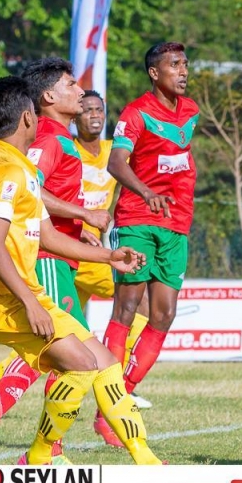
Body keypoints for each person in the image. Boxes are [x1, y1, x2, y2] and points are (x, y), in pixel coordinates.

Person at [0, 76, 161, 465]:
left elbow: (48, 236)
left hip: (25, 293)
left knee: (101, 362)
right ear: (29, 117)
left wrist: (109, 257)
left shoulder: (21, 168)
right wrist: (31, 304)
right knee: (78, 364)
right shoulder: (5, 171)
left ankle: (141, 458)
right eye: (70, 84)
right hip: (2, 298)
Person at [99, 42, 198, 447]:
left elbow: (178, 159)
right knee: (127, 306)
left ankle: (118, 397)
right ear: (154, 73)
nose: (183, 71)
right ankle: (111, 412)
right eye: (174, 65)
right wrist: (145, 192)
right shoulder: (135, 113)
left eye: (185, 64)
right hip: (138, 218)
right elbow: (116, 162)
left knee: (164, 314)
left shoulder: (191, 111)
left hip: (177, 222)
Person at [73, 89, 154, 410]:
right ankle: (119, 386)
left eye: (99, 110)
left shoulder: (112, 152)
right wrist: (79, 226)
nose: (94, 115)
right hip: (74, 248)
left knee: (59, 334)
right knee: (142, 302)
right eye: (87, 110)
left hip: (95, 251)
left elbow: (143, 166)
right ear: (75, 116)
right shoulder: (67, 150)